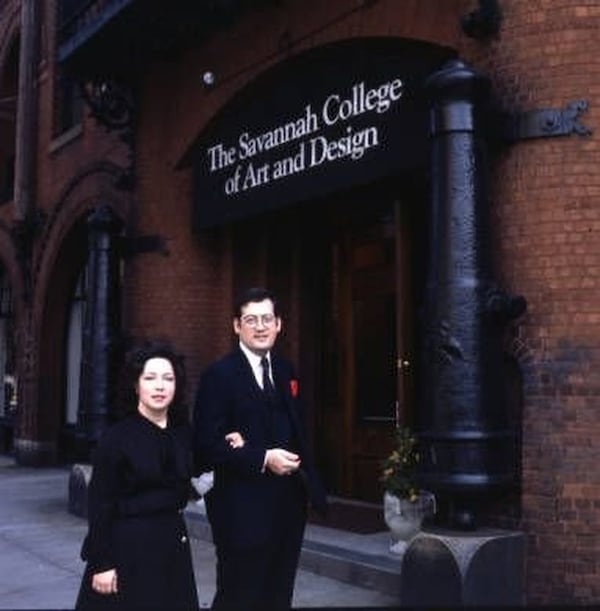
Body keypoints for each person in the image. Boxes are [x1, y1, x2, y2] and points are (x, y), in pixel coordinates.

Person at [193, 287, 328, 611]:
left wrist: (309, 486)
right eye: (251, 319)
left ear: (279, 324)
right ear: (237, 326)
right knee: (239, 595)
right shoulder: (219, 375)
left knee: (279, 594)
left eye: (267, 318)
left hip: (287, 506)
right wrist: (262, 457)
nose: (260, 326)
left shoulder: (286, 370)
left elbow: (298, 430)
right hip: (240, 508)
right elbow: (206, 444)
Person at [76, 340, 226, 610]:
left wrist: (229, 442)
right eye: (150, 378)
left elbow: (198, 467)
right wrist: (102, 564)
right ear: (136, 385)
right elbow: (100, 506)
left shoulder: (182, 433)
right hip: (128, 550)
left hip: (172, 548)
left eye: (168, 378)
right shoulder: (116, 438)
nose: (160, 386)